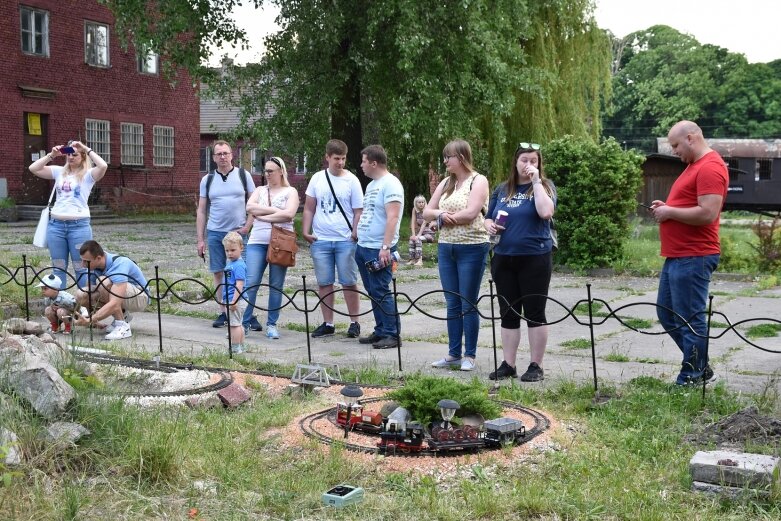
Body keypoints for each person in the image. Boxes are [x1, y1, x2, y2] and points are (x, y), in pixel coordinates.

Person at [651, 120, 728, 386]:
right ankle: (701, 368)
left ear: (691, 138)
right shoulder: (694, 166)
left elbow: (708, 213)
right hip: (678, 255)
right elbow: (690, 205)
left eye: (675, 145)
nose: (674, 151)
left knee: (690, 319)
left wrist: (670, 212)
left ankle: (692, 377)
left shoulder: (710, 167)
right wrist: (668, 206)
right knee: (668, 314)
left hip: (695, 256)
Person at [484, 142, 556, 382]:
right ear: (515, 162)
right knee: (508, 312)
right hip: (504, 256)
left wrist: (536, 182)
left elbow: (546, 212)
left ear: (539, 164)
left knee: (535, 311)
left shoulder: (544, 186)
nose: (528, 165)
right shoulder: (502, 189)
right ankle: (509, 363)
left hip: (535, 257)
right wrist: (489, 225)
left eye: (533, 161)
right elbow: (487, 218)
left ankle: (536, 365)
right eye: (524, 160)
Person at [423, 139, 490, 371]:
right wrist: (442, 213)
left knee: (467, 302)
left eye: (448, 157)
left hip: (472, 247)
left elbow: (472, 213)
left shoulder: (478, 180)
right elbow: (426, 212)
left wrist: (445, 218)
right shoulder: (446, 182)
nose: (445, 161)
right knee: (452, 301)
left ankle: (469, 355)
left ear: (461, 157)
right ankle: (453, 353)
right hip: (447, 247)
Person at [301, 139, 363, 339]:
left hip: (345, 239)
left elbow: (358, 211)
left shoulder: (352, 180)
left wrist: (355, 231)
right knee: (325, 282)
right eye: (336, 158)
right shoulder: (318, 179)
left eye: (343, 158)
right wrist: (305, 230)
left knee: (348, 281)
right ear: (327, 157)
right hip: (321, 239)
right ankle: (328, 322)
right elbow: (309, 207)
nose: (340, 162)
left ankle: (355, 322)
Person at [28, 140, 108, 289]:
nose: (70, 157)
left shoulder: (89, 175)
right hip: (56, 226)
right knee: (58, 267)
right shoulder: (59, 171)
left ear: (83, 157)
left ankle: (84, 305)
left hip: (79, 227)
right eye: (68, 155)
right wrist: (51, 155)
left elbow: (103, 166)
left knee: (82, 267)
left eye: (75, 154)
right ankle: (59, 305)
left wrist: (86, 148)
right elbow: (33, 168)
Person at [196, 140, 256, 329]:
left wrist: (247, 226)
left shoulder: (243, 175)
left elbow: (254, 203)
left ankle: (246, 313)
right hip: (215, 232)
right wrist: (200, 239)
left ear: (232, 155)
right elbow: (201, 210)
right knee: (219, 272)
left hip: (238, 232)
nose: (222, 157)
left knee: (241, 272)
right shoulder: (208, 179)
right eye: (218, 154)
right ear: (213, 158)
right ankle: (223, 311)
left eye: (225, 153)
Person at [242, 157, 300, 340]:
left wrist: (264, 215)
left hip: (281, 242)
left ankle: (272, 324)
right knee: (251, 283)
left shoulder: (291, 192)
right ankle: (244, 323)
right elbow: (249, 207)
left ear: (281, 171)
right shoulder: (260, 190)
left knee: (276, 285)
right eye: (265, 171)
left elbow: (289, 214)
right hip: (257, 240)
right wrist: (276, 213)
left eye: (270, 171)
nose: (267, 174)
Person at [354, 145, 404, 349]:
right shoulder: (373, 184)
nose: (361, 165)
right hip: (364, 246)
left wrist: (386, 247)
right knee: (373, 290)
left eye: (364, 161)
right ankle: (381, 329)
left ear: (374, 163)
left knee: (381, 290)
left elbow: (392, 218)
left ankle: (392, 334)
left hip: (379, 248)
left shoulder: (390, 184)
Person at [73, 240, 150, 340]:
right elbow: (89, 295)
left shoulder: (119, 263)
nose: (83, 265)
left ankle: (123, 326)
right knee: (81, 294)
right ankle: (123, 316)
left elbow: (115, 302)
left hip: (140, 297)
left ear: (98, 258)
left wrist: (90, 320)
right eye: (82, 260)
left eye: (86, 261)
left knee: (103, 282)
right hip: (122, 295)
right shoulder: (93, 266)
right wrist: (93, 321)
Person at [220, 232, 247, 354]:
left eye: (233, 250)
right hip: (231, 298)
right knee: (238, 324)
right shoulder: (231, 264)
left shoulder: (239, 265)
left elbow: (239, 284)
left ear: (241, 248)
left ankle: (236, 348)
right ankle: (241, 346)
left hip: (235, 299)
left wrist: (234, 301)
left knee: (234, 325)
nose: (229, 253)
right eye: (227, 250)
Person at [407, 195, 435, 266]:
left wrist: (418, 235)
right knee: (412, 240)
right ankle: (412, 259)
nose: (421, 204)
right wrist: (413, 234)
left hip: (429, 234)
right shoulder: (415, 210)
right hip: (421, 234)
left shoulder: (427, 211)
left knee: (417, 239)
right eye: (419, 202)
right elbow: (413, 222)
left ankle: (419, 260)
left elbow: (424, 224)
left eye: (423, 202)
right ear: (416, 203)